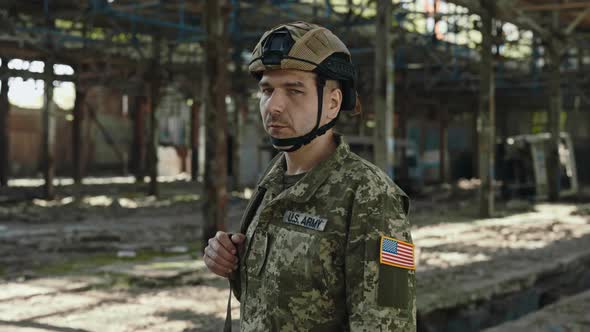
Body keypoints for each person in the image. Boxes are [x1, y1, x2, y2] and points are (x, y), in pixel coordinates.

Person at [203, 21, 416, 331]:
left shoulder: (370, 196)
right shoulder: (273, 181)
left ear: (332, 103)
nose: (273, 106)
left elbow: (388, 324)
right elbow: (278, 298)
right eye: (267, 90)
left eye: (293, 90)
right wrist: (230, 263)